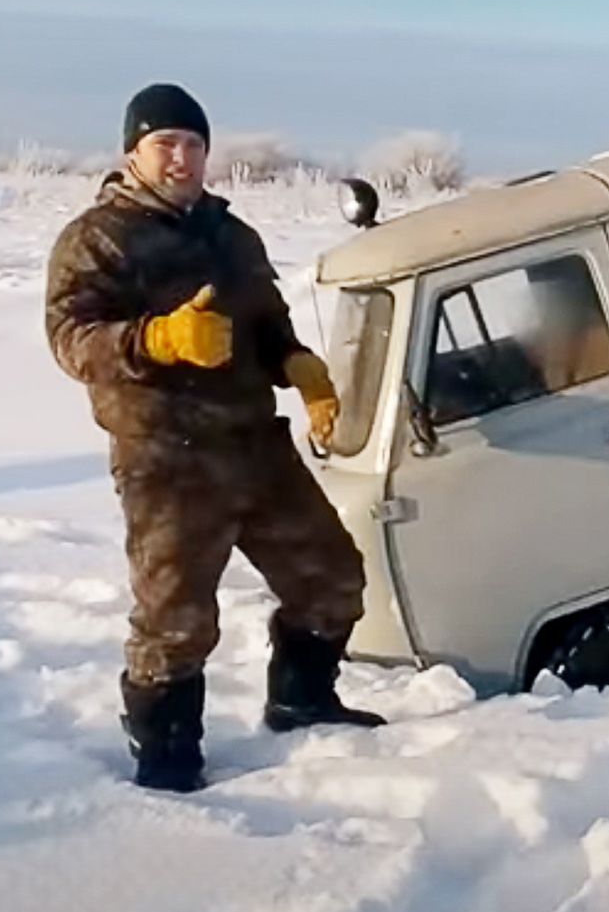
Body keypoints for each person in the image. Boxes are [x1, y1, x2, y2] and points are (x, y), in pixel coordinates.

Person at [45, 83, 384, 792]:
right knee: (176, 622)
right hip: (167, 458)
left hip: (255, 445)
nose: (181, 158)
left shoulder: (232, 236)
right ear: (132, 153)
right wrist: (155, 337)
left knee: (333, 578)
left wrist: (297, 363)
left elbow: (266, 321)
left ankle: (302, 702)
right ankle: (167, 761)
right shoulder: (98, 239)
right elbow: (71, 338)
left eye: (193, 144)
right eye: (165, 143)